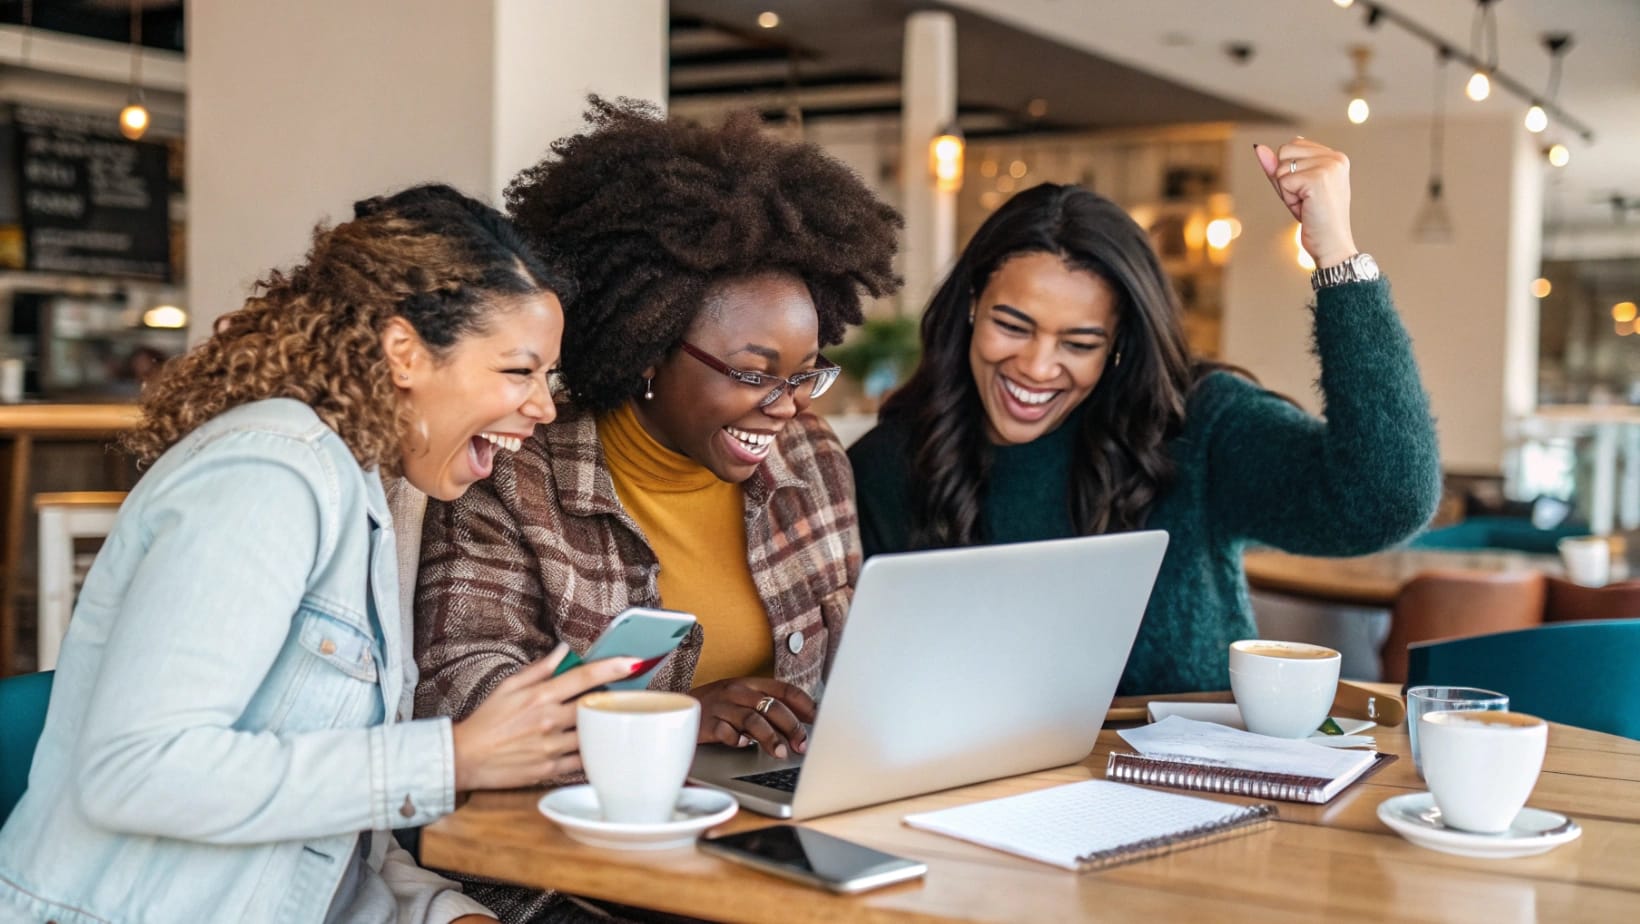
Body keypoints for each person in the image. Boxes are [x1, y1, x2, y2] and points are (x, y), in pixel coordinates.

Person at [0, 184, 644, 924]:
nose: (544, 406)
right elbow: (135, 771)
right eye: (518, 371)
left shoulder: (371, 493)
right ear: (404, 352)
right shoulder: (269, 474)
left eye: (547, 377)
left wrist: (444, 913)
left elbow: (331, 850)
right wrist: (454, 760)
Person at [413, 99, 900, 923]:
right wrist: (674, 717)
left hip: (768, 848)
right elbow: (463, 694)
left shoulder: (811, 461)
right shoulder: (513, 472)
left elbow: (849, 675)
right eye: (753, 373)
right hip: (574, 878)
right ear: (647, 349)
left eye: (805, 374)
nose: (785, 407)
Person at [848, 138, 1441, 695]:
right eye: (1012, 326)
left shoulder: (1194, 426)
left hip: (1193, 795)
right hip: (968, 799)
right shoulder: (890, 464)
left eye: (1079, 343)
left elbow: (1385, 500)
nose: (1036, 366)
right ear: (971, 307)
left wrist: (1336, 255)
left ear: (1119, 344)